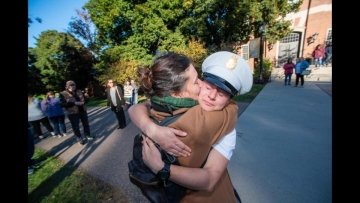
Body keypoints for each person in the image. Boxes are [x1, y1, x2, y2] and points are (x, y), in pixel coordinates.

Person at [129, 51, 253, 202]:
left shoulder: (157, 109)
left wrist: (150, 128)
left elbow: (138, 107)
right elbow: (210, 179)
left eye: (222, 93)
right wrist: (161, 167)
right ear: (176, 94)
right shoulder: (225, 115)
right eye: (203, 84)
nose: (211, 95)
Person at [60, 80, 93, 145]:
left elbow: (86, 99)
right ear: (67, 86)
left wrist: (85, 101)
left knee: (86, 124)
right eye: (70, 85)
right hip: (73, 113)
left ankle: (87, 135)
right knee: (76, 127)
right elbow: (62, 104)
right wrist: (74, 103)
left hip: (82, 111)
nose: (72, 86)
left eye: (73, 85)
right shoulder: (63, 93)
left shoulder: (79, 91)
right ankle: (79, 138)